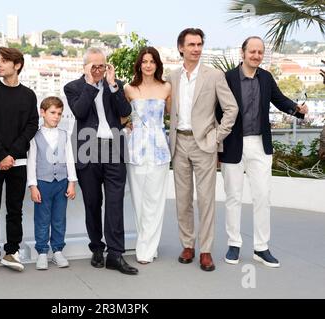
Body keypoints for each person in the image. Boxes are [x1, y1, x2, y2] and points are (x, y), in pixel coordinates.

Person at [217, 36, 308, 268]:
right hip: (233, 145)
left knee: (262, 197)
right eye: (252, 51)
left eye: (260, 52)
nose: (256, 55)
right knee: (233, 197)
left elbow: (279, 100)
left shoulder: (266, 78)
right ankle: (234, 244)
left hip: (260, 144)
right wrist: (216, 145)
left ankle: (261, 247)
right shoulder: (227, 78)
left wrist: (298, 110)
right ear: (243, 52)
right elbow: (217, 111)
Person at [167, 28, 238, 272]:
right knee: (183, 200)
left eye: (199, 44)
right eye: (192, 44)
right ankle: (188, 245)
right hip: (179, 143)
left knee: (206, 200)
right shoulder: (172, 77)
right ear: (181, 48)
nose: (196, 49)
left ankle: (206, 250)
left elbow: (231, 109)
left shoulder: (214, 76)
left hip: (204, 144)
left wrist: (216, 137)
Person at [64, 47, 138, 275]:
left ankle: (116, 254)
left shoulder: (115, 84)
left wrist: (113, 84)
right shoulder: (74, 87)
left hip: (114, 149)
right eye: (93, 66)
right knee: (93, 204)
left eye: (102, 66)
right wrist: (89, 84)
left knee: (115, 203)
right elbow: (79, 112)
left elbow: (125, 111)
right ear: (85, 67)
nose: (98, 70)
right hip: (88, 151)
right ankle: (97, 247)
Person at [0, 47, 39, 274]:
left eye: (3, 61)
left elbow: (31, 126)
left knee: (15, 210)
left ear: (17, 65)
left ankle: (11, 251)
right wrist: (2, 155)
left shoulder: (29, 95)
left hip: (18, 162)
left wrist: (11, 155)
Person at [124, 47, 171, 264]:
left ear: (157, 64)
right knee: (139, 201)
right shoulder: (129, 89)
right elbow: (122, 117)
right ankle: (146, 243)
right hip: (136, 150)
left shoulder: (166, 88)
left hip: (160, 151)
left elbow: (172, 115)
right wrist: (128, 125)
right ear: (139, 64)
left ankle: (147, 249)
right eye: (144, 61)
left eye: (152, 61)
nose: (148, 65)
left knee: (155, 201)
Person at [27, 96, 77, 270]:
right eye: (53, 112)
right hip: (43, 183)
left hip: (62, 182)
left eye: (59, 114)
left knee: (58, 218)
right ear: (42, 112)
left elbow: (70, 159)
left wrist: (72, 182)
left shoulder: (65, 135)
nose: (56, 116)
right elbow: (31, 161)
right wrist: (33, 185)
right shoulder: (34, 136)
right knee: (42, 219)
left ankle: (57, 250)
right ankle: (42, 251)